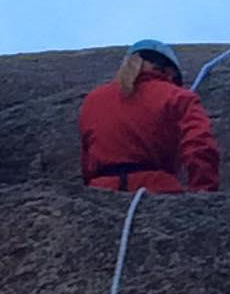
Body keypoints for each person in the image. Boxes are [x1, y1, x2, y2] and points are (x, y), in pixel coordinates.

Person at [79, 39, 219, 194]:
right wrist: (204, 189)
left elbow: (88, 158)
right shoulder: (179, 97)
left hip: (101, 190)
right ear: (169, 72)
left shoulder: (93, 100)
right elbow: (200, 143)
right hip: (158, 188)